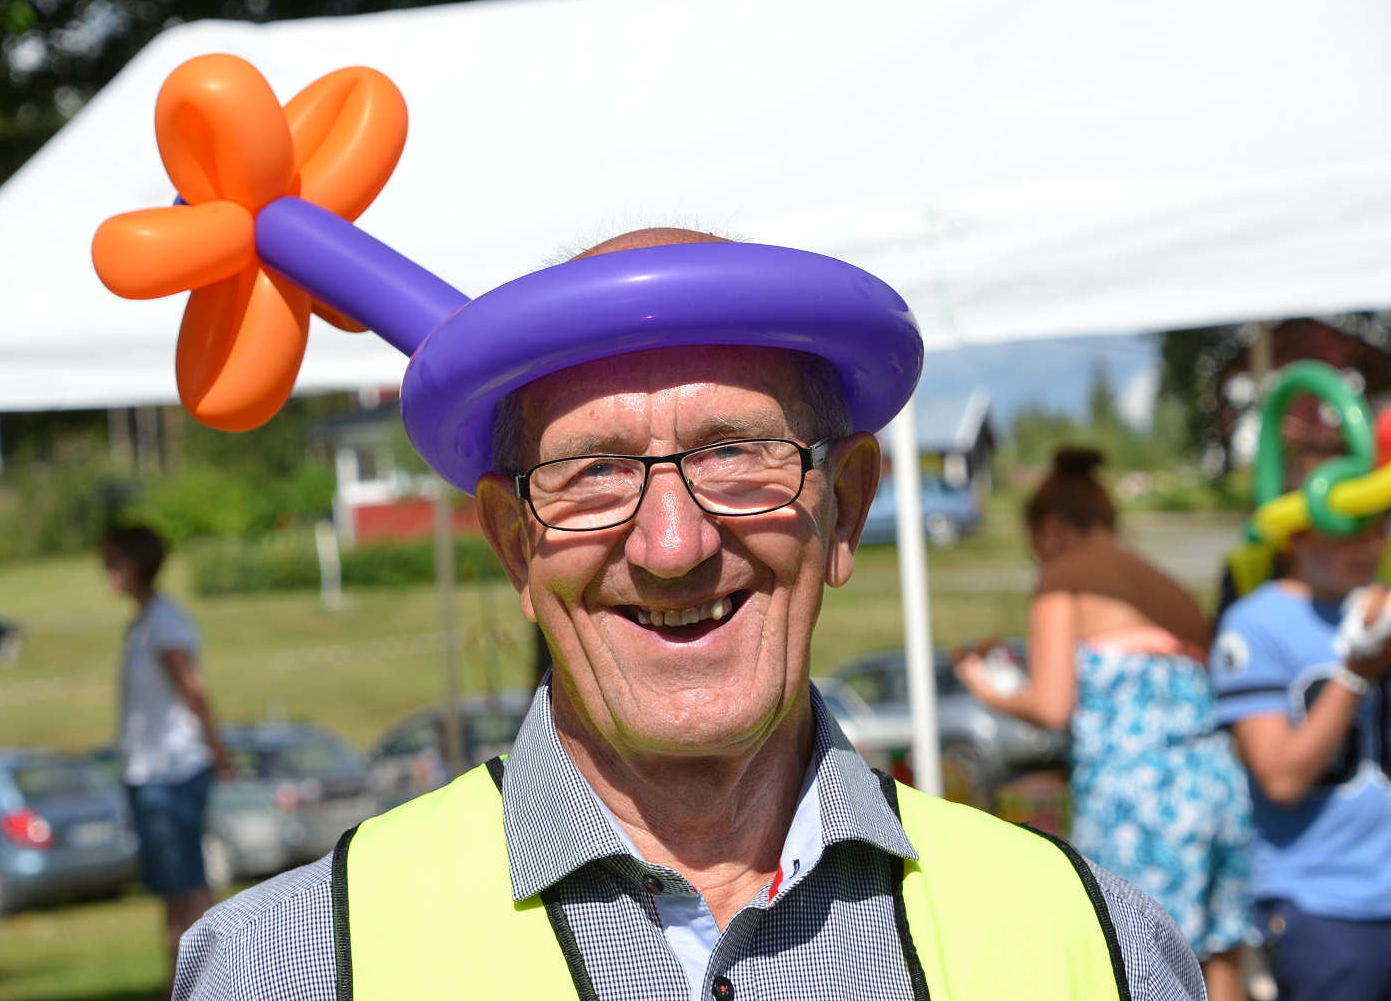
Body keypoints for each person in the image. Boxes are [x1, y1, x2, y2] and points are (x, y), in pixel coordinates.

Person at [173, 230, 1204, 1000]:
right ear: (513, 544)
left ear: (845, 507)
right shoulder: (292, 966)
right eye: (592, 470)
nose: (672, 545)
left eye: (733, 453)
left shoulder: (1094, 944)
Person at [956, 448, 1251, 1001]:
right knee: (1219, 958)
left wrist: (984, 686)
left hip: (1140, 797)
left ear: (1051, 530)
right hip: (1216, 784)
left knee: (1142, 964)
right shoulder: (1165, 586)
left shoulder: (1064, 578)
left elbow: (1053, 706)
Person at [1210, 447, 1391, 1000]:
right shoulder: (1254, 625)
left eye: (1378, 528)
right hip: (1323, 905)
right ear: (1297, 535)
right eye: (1349, 530)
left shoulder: (1379, 605)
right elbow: (1281, 777)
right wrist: (1355, 674)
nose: (1371, 546)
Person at [102, 523, 231, 979]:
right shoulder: (142, 624)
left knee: (189, 889)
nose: (105, 570)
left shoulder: (164, 622)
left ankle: (213, 981)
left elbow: (192, 689)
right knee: (172, 891)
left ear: (138, 564)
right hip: (150, 774)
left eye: (114, 561)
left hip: (173, 773)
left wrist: (217, 749)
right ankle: (180, 982)